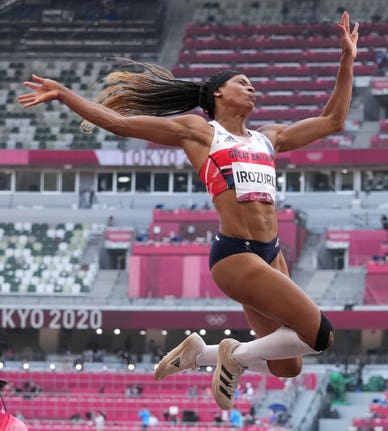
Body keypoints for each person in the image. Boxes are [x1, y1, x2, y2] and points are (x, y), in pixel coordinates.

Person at [19, 11, 358, 411]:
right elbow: (121, 124)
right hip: (237, 255)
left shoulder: (270, 137)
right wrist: (64, 94)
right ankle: (231, 355)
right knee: (322, 335)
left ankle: (203, 354)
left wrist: (347, 60)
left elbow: (333, 120)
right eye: (241, 83)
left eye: (253, 85)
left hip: (273, 254)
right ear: (217, 94)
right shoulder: (200, 132)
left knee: (288, 367)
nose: (252, 89)